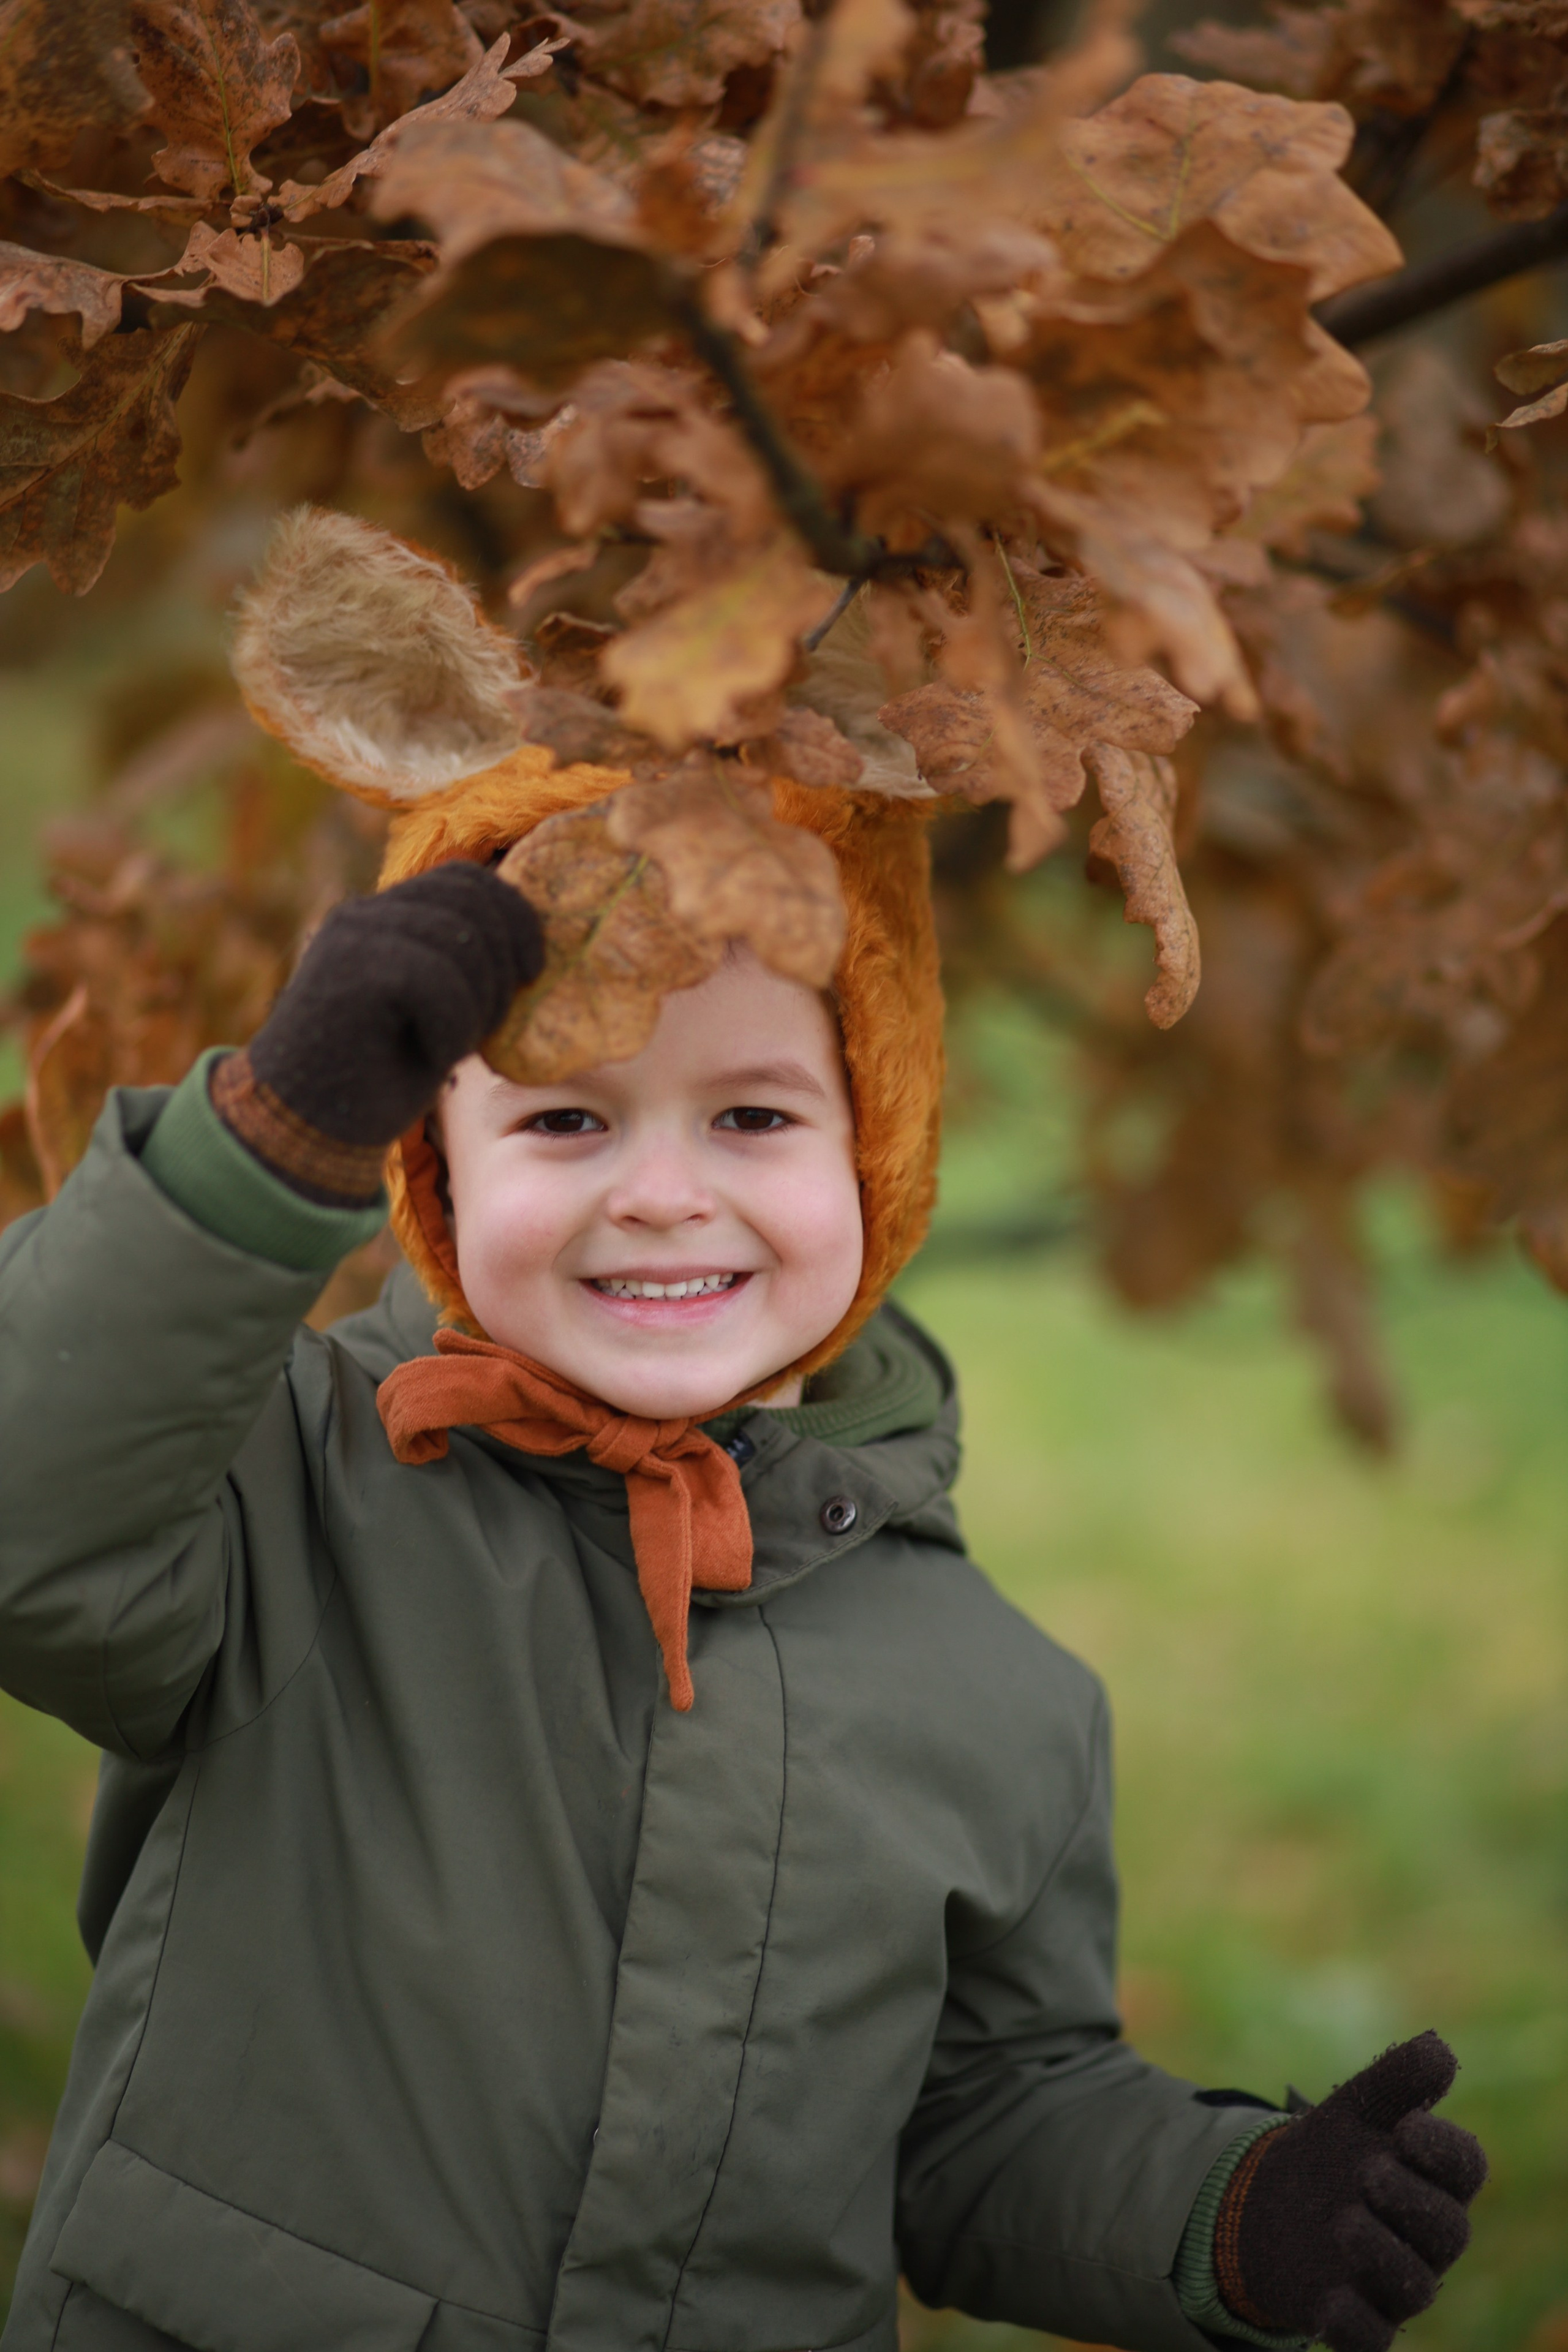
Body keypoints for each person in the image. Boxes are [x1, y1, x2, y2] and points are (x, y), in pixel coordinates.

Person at [0, 514, 1485, 2352]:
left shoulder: (990, 1699)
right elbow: (34, 1524)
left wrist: (1216, 2210)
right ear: (432, 1170)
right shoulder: (289, 1492)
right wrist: (260, 1151)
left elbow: (973, 2119)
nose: (660, 1197)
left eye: (757, 1119)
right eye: (562, 1122)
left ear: (885, 1145)